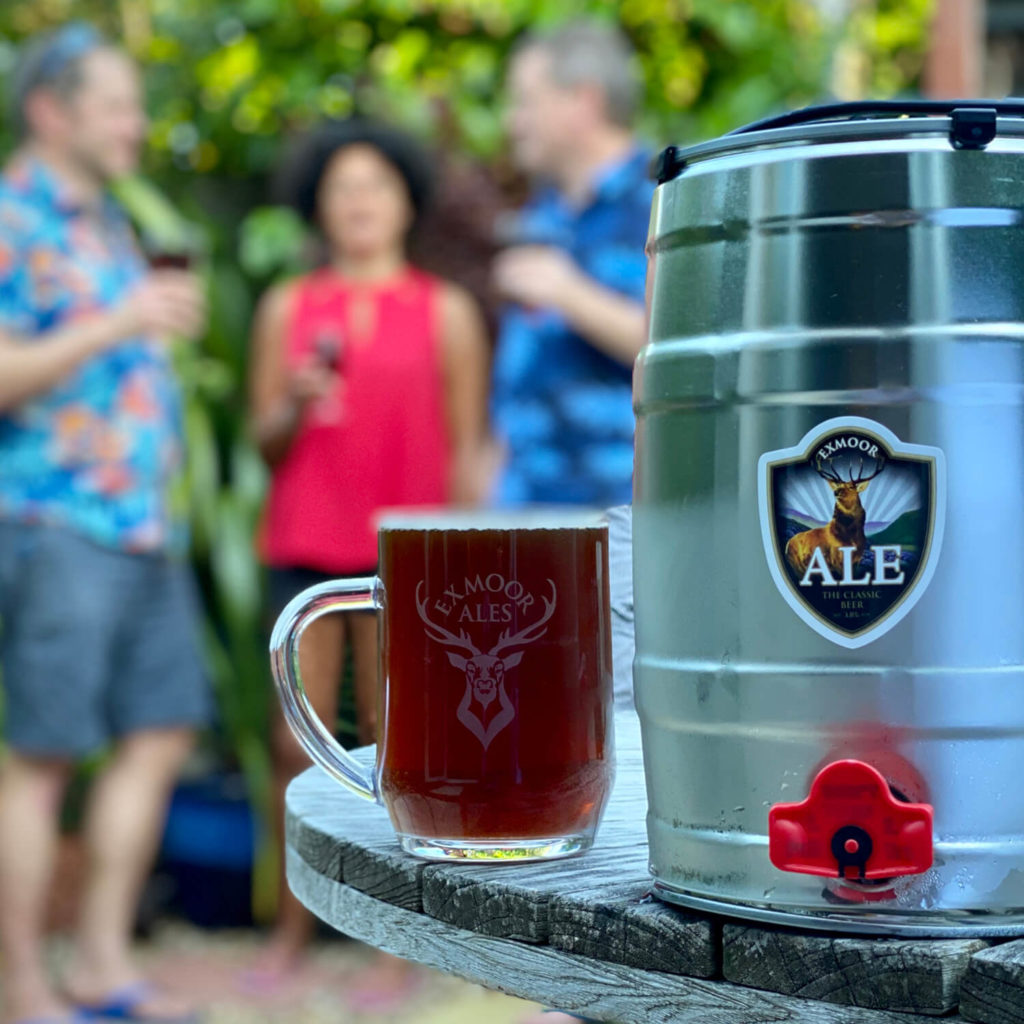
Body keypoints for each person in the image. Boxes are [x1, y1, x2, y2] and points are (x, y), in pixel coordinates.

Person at [247, 118, 491, 986]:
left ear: (405, 202)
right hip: (305, 541)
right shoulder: (286, 306)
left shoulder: (447, 310)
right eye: (342, 187)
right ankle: (290, 934)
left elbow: (466, 448)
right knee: (293, 744)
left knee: (400, 743)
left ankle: (398, 945)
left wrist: (464, 559)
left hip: (406, 557)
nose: (358, 202)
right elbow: (264, 443)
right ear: (318, 201)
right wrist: (295, 402)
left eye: (375, 186)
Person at [0, 22, 210, 1024]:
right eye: (117, 104)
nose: (136, 124)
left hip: (143, 528)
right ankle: (23, 990)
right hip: (56, 524)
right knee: (41, 760)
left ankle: (97, 965)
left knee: (161, 733)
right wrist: (124, 320)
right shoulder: (7, 216)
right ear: (52, 110)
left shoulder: (105, 227)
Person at [490, 20, 654, 509]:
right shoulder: (541, 215)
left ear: (583, 100)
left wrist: (568, 293)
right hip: (523, 509)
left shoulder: (664, 206)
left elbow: (688, 358)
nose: (513, 122)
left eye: (526, 101)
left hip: (620, 515)